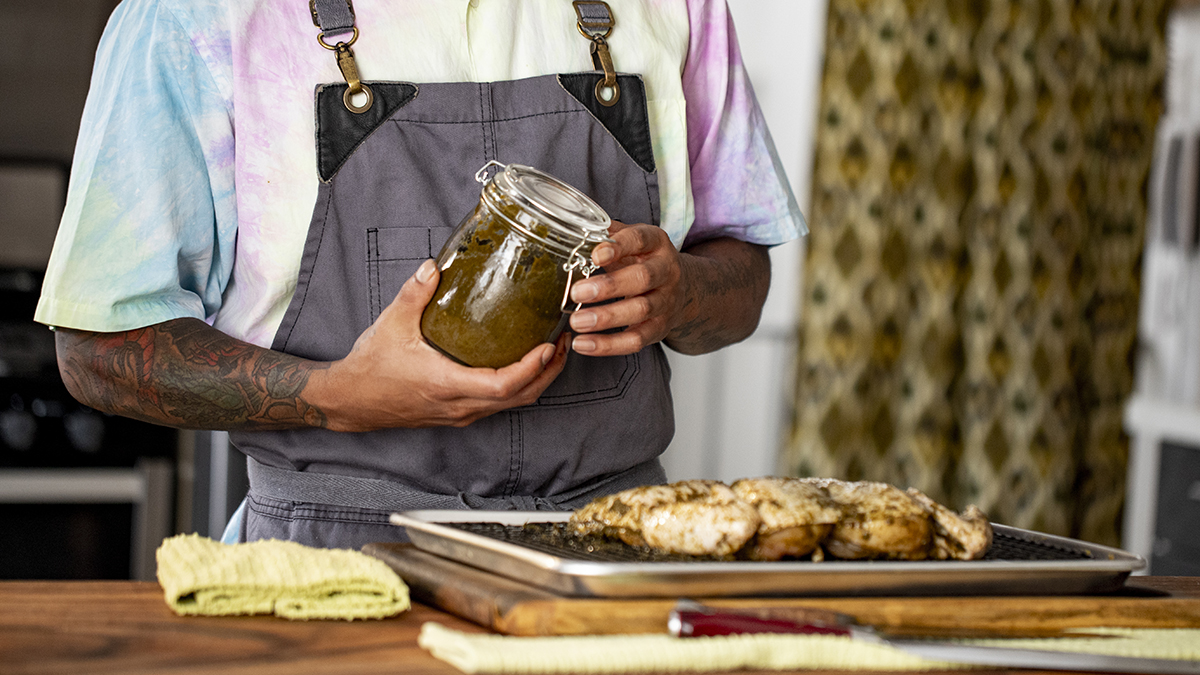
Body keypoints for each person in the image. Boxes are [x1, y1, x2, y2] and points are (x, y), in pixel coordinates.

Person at [36, 0, 805, 550]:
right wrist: (336, 397)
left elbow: (742, 276)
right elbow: (97, 348)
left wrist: (681, 295)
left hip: (614, 557)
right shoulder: (193, 18)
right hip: (333, 563)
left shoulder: (675, 8)